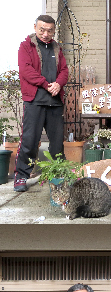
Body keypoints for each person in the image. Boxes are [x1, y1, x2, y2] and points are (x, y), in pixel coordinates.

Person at [14, 14, 69, 192]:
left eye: (50, 30)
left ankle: (58, 175)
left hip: (54, 102)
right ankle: (21, 177)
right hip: (34, 101)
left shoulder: (57, 48)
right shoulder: (25, 46)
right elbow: (26, 71)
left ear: (54, 30)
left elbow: (65, 70)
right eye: (42, 29)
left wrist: (59, 84)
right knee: (29, 141)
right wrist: (47, 85)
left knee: (57, 143)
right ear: (35, 28)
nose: (46, 34)